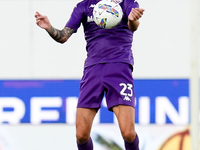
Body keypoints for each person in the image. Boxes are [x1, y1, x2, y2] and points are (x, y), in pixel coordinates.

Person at [35, 0, 144, 149]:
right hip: (93, 70)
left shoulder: (127, 3)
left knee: (128, 133)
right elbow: (63, 36)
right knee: (81, 135)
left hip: (119, 67)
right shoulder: (84, 6)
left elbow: (133, 26)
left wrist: (132, 19)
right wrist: (49, 27)